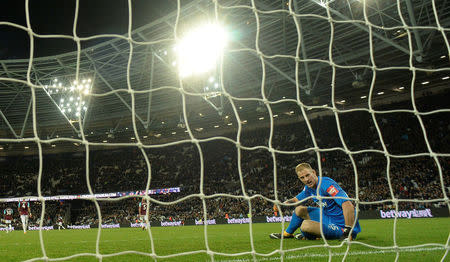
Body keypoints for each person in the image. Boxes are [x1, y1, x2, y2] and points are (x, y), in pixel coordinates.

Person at [269, 163, 361, 240]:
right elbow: (295, 200)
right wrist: (281, 204)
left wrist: (348, 230)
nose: (306, 179)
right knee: (299, 210)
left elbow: (348, 204)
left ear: (314, 172)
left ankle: (310, 235)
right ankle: (287, 234)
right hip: (327, 217)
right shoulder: (309, 188)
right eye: (302, 177)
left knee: (305, 226)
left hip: (340, 224)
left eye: (308, 175)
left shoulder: (326, 184)